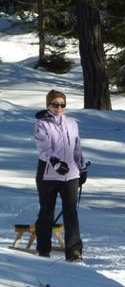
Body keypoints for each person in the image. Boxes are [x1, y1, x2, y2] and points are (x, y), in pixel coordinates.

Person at [34, 89, 88, 262]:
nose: (59, 107)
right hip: (49, 175)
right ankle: (43, 250)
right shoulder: (42, 124)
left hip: (70, 175)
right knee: (47, 213)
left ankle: (74, 252)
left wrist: (82, 168)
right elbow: (43, 149)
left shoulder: (72, 124)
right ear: (48, 105)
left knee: (71, 213)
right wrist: (55, 162)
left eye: (62, 104)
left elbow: (77, 148)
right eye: (55, 104)